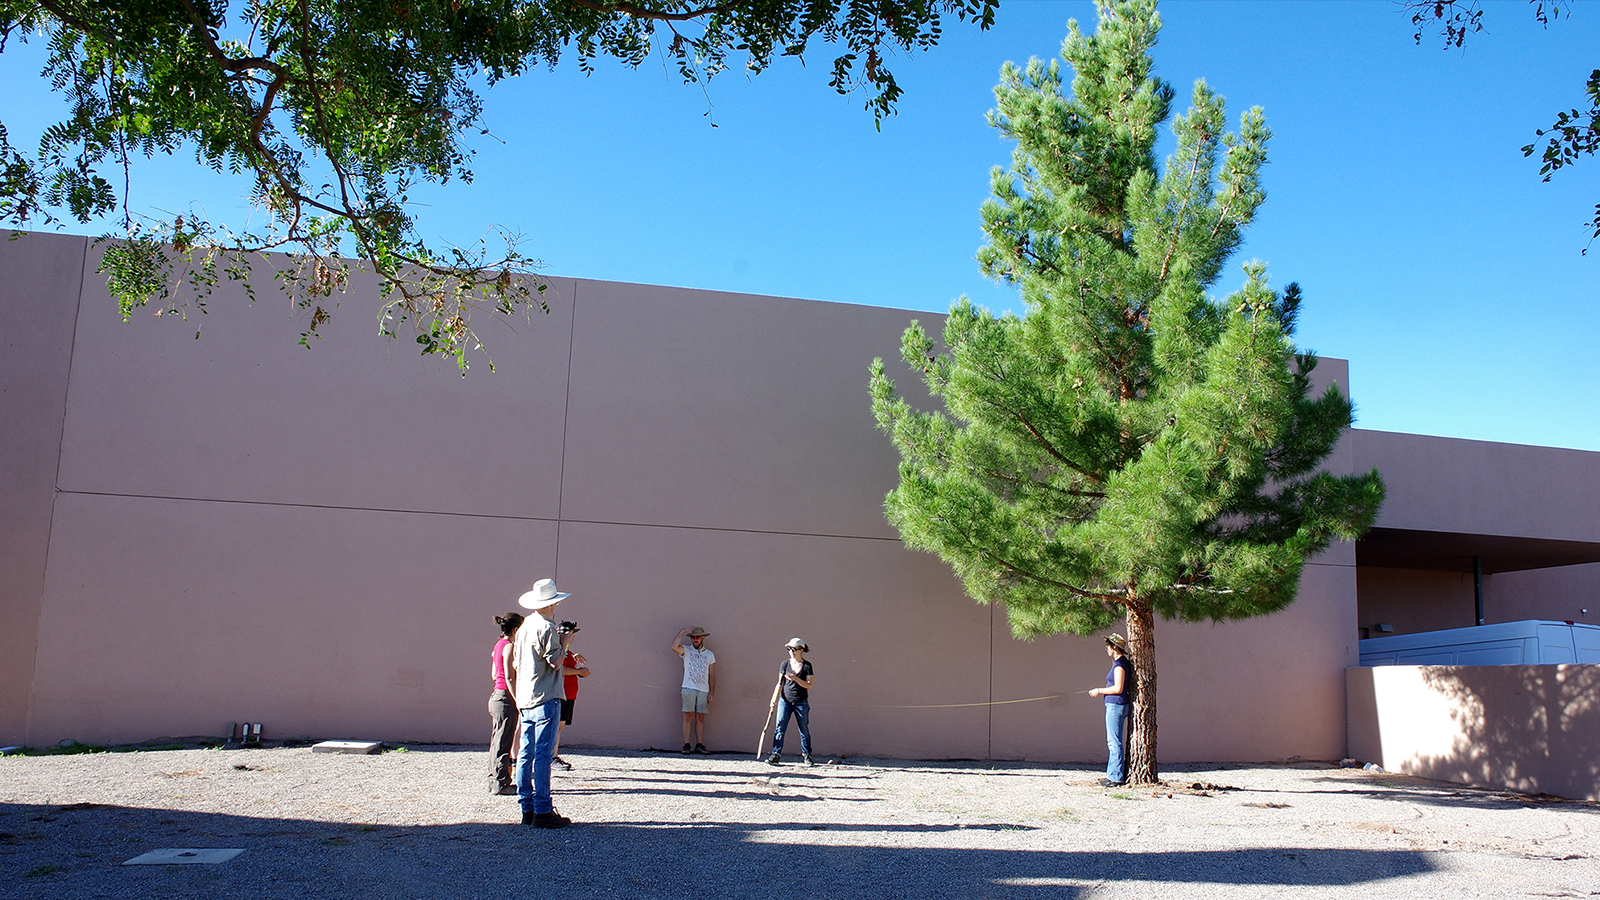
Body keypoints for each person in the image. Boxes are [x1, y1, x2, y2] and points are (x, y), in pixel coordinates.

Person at [508, 578, 576, 828]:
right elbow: (556, 662)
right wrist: (565, 643)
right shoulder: (547, 627)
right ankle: (543, 809)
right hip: (545, 695)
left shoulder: (524, 627)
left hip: (526, 697)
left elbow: (516, 664)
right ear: (553, 604)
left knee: (526, 753)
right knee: (543, 754)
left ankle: (527, 807)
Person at [1088, 632, 1135, 787]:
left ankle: (1115, 777)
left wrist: (1099, 690)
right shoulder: (1120, 663)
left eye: (1108, 646)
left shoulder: (1120, 665)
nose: (1106, 649)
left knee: (1114, 742)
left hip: (1116, 705)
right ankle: (1114, 774)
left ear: (1115, 647)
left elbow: (1118, 688)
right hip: (1116, 705)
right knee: (1114, 741)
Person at [488, 611, 524, 795]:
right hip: (505, 697)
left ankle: (494, 780)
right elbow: (509, 676)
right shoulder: (509, 646)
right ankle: (502, 783)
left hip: (496, 695)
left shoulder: (498, 645)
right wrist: (517, 699)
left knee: (496, 741)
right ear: (516, 629)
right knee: (504, 742)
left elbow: (495, 674)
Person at [765, 637, 814, 767]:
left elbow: (809, 685)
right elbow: (779, 684)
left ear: (801, 650)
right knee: (780, 728)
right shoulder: (785, 664)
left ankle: (807, 755)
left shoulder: (807, 665)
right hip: (785, 701)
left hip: (801, 702)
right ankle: (775, 754)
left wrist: (796, 679)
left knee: (804, 730)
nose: (791, 651)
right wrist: (773, 700)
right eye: (789, 649)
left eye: (794, 649)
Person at [552, 620, 590, 771]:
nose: (572, 637)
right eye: (571, 634)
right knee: (556, 726)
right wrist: (580, 672)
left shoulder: (568, 651)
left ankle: (553, 755)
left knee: (559, 726)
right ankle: (551, 757)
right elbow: (561, 669)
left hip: (570, 693)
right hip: (562, 693)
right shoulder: (558, 650)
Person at [671, 626, 715, 753]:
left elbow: (712, 675)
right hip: (688, 688)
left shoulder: (709, 654)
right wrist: (682, 632)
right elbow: (674, 647)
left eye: (698, 637)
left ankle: (699, 744)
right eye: (693, 637)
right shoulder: (687, 650)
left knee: (700, 717)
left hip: (703, 690)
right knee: (687, 716)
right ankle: (686, 744)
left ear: (703, 637)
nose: (695, 639)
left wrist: (712, 692)